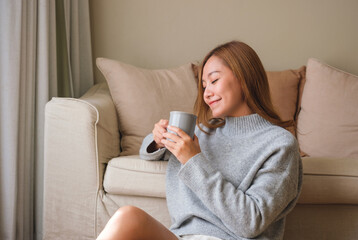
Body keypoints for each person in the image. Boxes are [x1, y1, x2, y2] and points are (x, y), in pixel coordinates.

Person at [96, 41, 302, 240]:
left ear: (244, 78)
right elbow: (146, 151)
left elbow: (250, 222)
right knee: (129, 217)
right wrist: (158, 140)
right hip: (182, 236)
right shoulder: (202, 132)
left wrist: (193, 160)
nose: (207, 94)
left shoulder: (279, 144)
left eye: (214, 81)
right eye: (203, 86)